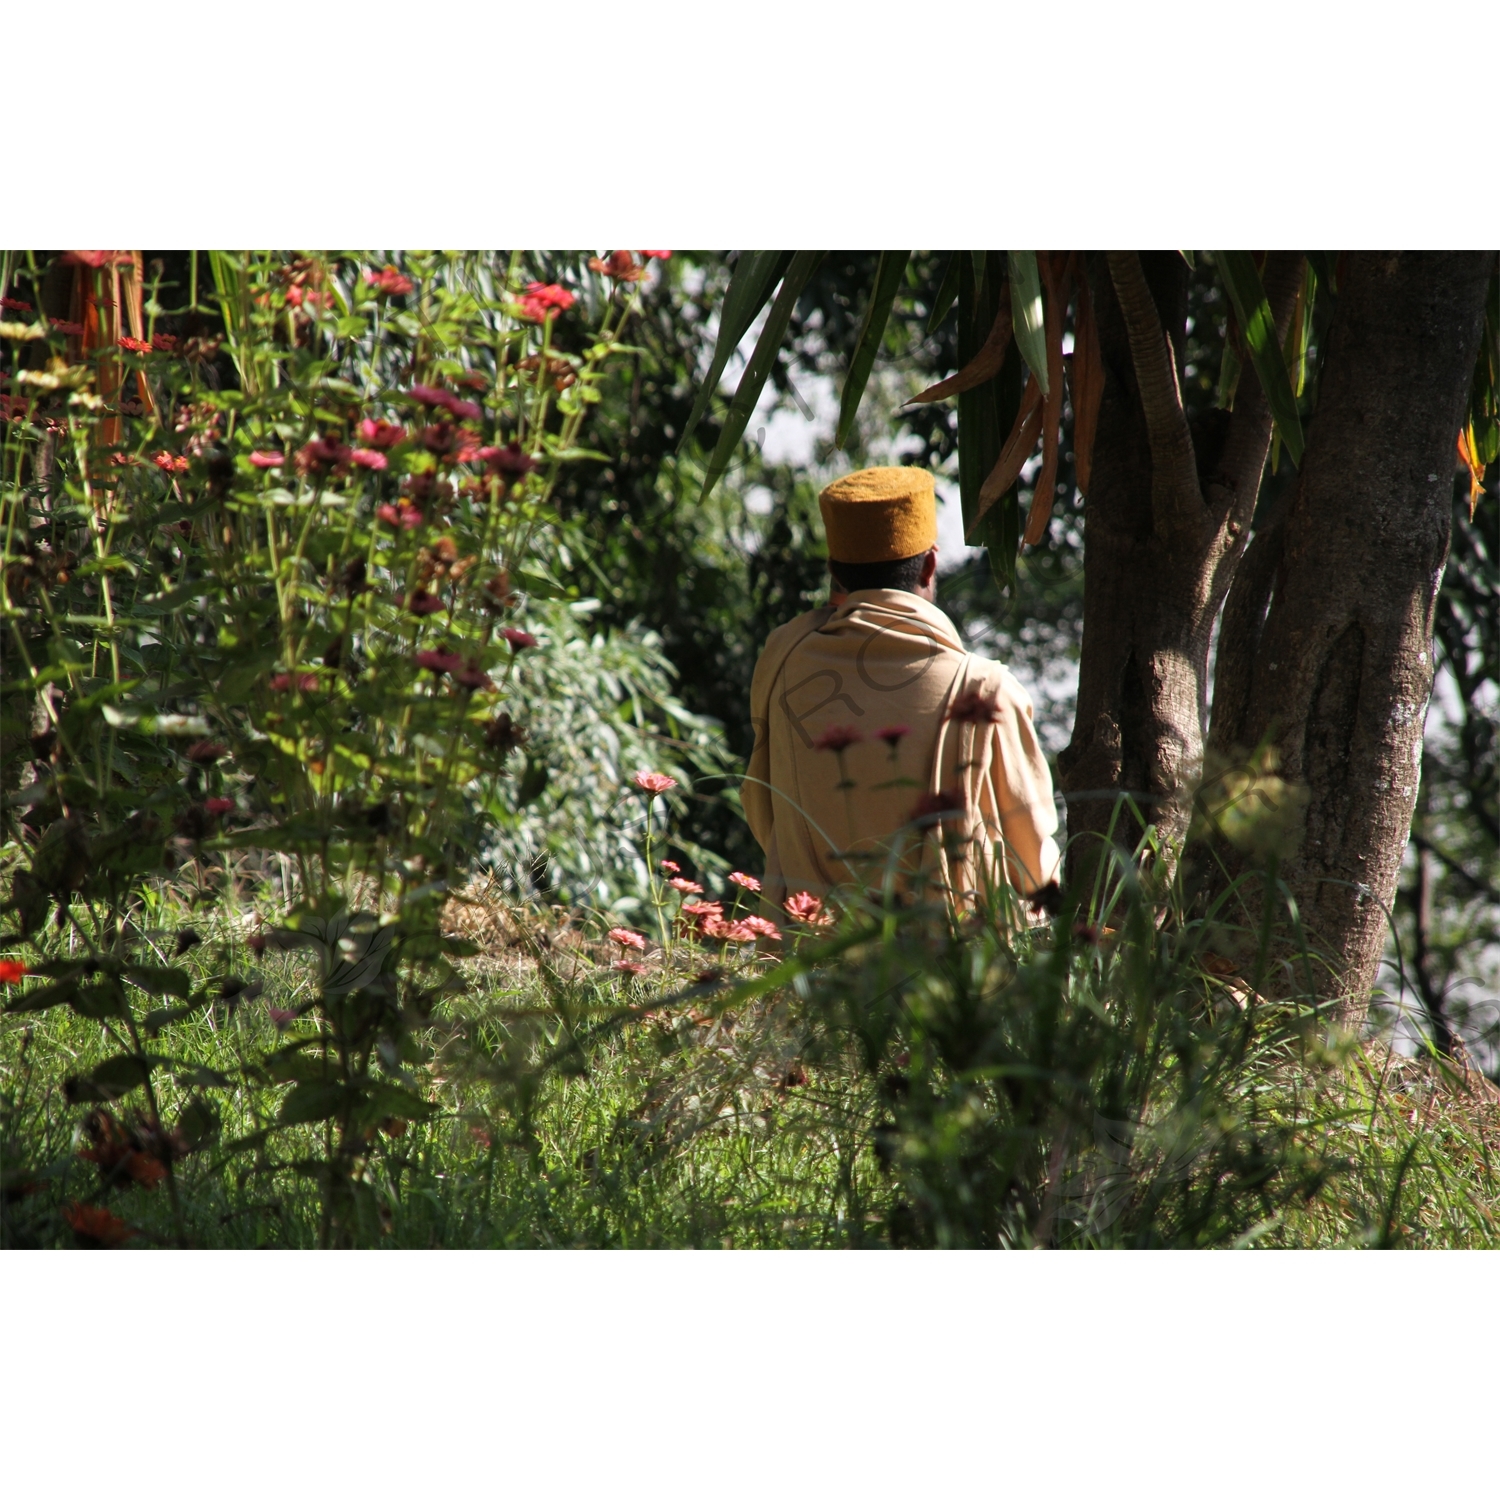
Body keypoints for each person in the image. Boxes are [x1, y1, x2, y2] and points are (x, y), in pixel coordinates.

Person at [744, 465, 1062, 918]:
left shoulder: (781, 659)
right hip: (947, 978)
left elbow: (763, 808)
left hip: (802, 971)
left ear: (835, 573)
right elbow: (1033, 866)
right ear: (931, 564)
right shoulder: (987, 691)